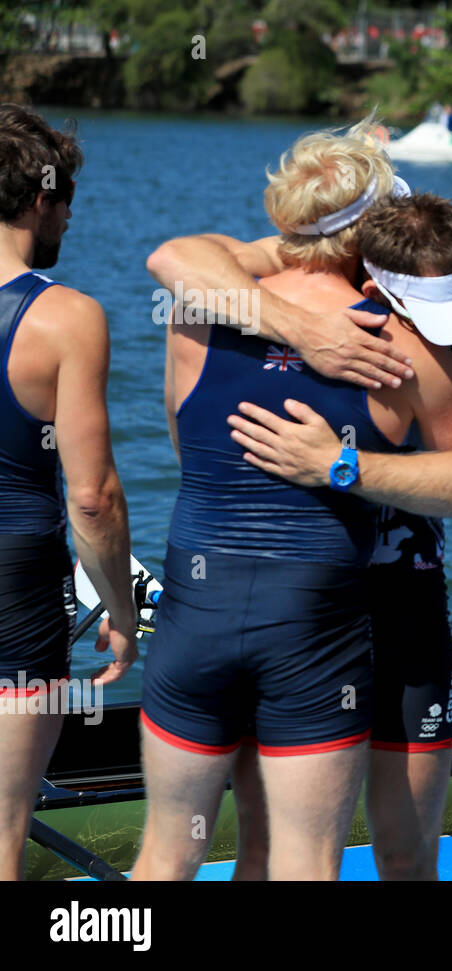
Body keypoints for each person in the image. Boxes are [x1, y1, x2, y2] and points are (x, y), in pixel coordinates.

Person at [146, 134, 452, 881]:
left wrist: (341, 465)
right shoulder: (257, 287)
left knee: (404, 853)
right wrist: (308, 331)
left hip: (398, 608)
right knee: (270, 847)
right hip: (309, 611)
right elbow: (181, 255)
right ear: (368, 238)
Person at [0, 104, 137, 882]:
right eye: (67, 198)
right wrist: (120, 615)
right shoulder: (66, 318)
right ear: (39, 199)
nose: (71, 216)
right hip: (16, 587)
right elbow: (93, 498)